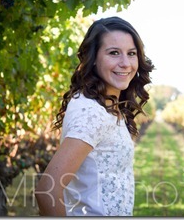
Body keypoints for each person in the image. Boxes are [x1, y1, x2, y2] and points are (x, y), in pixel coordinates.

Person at [35, 16, 154, 216]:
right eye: (114, 53)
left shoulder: (105, 106)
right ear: (93, 59)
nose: (125, 63)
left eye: (131, 53)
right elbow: (47, 190)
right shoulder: (93, 112)